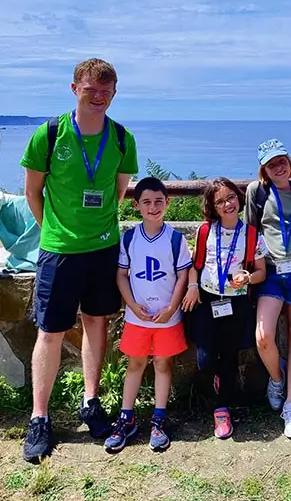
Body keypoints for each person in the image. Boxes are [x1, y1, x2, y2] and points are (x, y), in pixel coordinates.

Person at [20, 58, 138, 463]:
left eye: (106, 91)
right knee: (50, 332)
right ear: (75, 89)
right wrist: (56, 231)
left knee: (95, 322)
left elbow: (118, 192)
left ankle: (90, 402)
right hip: (59, 252)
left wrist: (95, 229)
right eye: (91, 90)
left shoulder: (122, 138)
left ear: (114, 93)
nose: (100, 97)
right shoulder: (50, 134)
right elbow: (33, 191)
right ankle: (40, 417)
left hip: (103, 248)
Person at [104, 177, 191, 453]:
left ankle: (159, 418)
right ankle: (126, 418)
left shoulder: (176, 239)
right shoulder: (129, 238)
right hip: (137, 317)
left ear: (168, 202)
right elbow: (121, 275)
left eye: (158, 201)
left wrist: (171, 308)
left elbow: (182, 276)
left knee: (163, 365)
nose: (153, 207)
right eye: (146, 202)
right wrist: (131, 304)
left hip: (167, 318)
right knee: (135, 365)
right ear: (136, 205)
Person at [243, 139, 291, 439]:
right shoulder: (256, 191)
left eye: (281, 160)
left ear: (289, 161)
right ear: (264, 168)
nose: (278, 166)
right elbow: (250, 230)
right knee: (263, 336)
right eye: (271, 162)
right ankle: (277, 377)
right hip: (271, 271)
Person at [182, 178, 267, 439]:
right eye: (220, 201)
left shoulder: (252, 234)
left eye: (230, 197)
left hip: (236, 302)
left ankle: (222, 408)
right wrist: (193, 286)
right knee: (205, 360)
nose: (227, 204)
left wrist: (248, 277)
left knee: (229, 358)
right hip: (208, 301)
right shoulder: (205, 231)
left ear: (238, 198)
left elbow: (261, 272)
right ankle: (216, 382)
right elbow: (195, 265)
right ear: (212, 207)